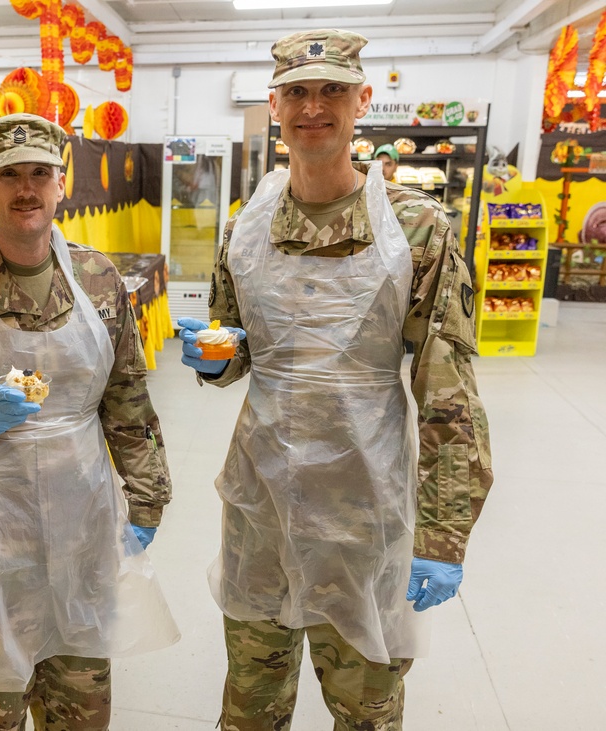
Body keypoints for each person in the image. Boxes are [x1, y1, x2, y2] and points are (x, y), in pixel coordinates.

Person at [178, 29, 493, 730]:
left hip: (363, 511)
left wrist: (442, 537)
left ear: (362, 101)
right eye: (297, 92)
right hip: (260, 507)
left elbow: (448, 393)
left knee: (365, 711)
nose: (313, 107)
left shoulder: (417, 230)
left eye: (331, 91)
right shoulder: (248, 225)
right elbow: (236, 349)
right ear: (275, 106)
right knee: (251, 709)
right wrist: (215, 360)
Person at [0, 112, 179, 730]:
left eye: (40, 173)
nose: (26, 189)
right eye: (9, 175)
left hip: (81, 536)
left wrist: (147, 502)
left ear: (61, 183)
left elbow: (126, 400)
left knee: (79, 709)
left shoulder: (98, 280)